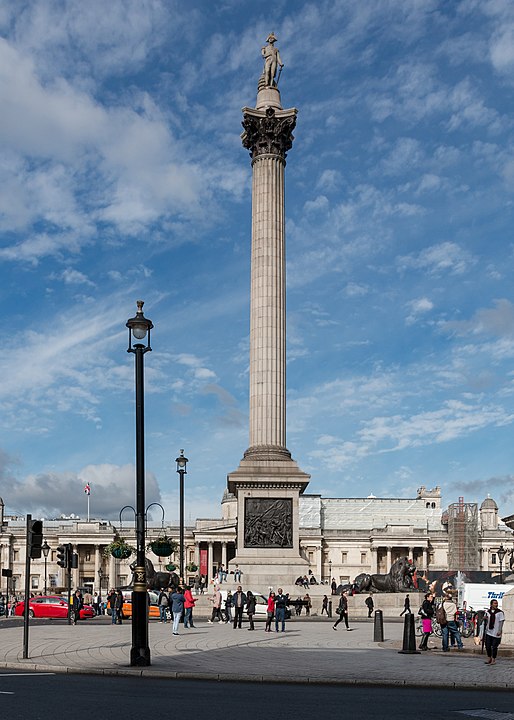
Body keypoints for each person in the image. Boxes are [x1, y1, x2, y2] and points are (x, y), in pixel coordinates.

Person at [481, 598, 505, 665]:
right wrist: (484, 618)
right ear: (491, 604)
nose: (496, 604)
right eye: (494, 603)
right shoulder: (487, 612)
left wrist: (499, 630)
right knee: (488, 646)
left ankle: (493, 659)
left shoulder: (500, 612)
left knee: (494, 647)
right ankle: (489, 658)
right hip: (489, 631)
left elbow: (501, 622)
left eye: (496, 603)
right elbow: (484, 620)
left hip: (496, 632)